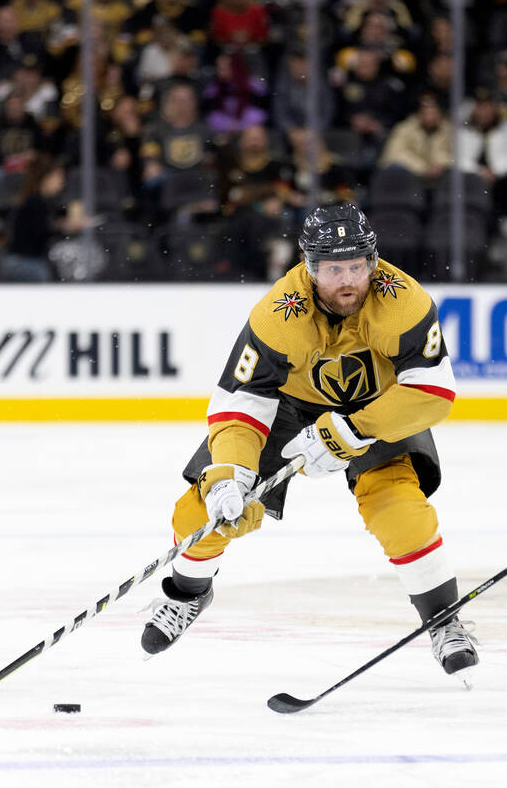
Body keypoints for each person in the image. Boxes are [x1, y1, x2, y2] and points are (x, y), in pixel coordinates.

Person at [139, 202, 479, 683]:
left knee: (400, 510)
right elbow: (240, 403)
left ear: (373, 262)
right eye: (333, 269)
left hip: (378, 407)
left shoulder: (404, 301)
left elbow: (433, 394)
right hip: (286, 407)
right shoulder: (278, 314)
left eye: (357, 266)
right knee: (204, 510)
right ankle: (186, 595)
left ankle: (444, 621)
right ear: (309, 266)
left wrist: (351, 430)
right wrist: (231, 475)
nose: (347, 281)